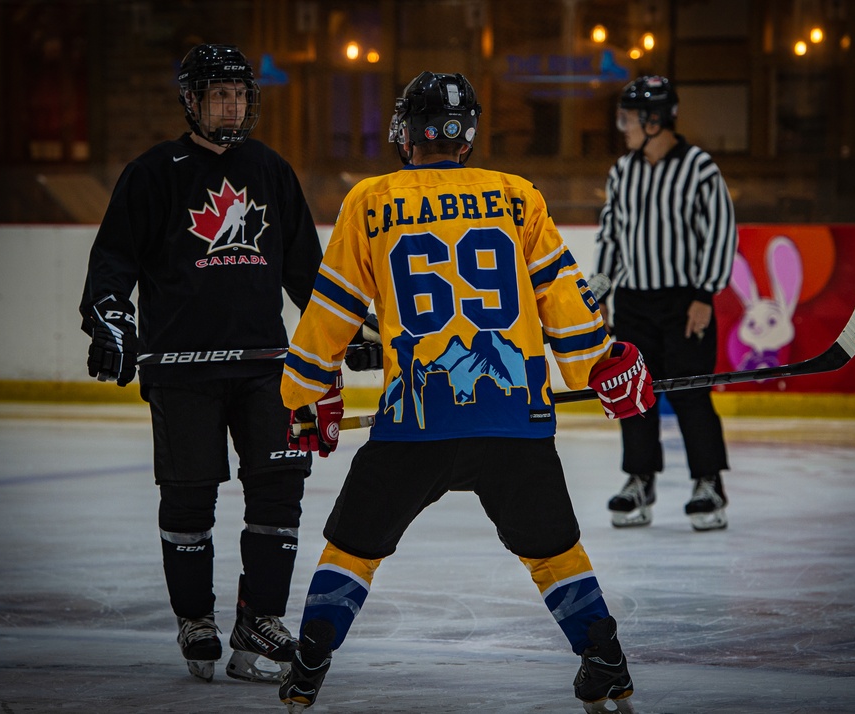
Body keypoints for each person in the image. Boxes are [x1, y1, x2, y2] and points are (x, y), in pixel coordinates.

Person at [275, 71, 656, 713]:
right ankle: (605, 662)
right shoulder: (516, 196)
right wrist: (599, 362)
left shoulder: (370, 200)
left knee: (353, 548)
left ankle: (308, 665)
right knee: (554, 549)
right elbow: (562, 293)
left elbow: (331, 308)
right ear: (466, 135)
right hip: (513, 415)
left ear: (407, 131)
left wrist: (304, 392)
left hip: (416, 416)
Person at [79, 43, 324, 683]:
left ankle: (258, 619)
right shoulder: (153, 172)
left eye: (240, 93)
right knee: (189, 500)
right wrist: (108, 313)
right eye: (219, 93)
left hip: (265, 366)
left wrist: (344, 331)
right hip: (182, 369)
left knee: (279, 493)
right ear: (191, 99)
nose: (232, 104)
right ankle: (196, 618)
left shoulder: (271, 170)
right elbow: (112, 263)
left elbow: (310, 275)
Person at [591, 75, 738, 532]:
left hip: (683, 303)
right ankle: (639, 480)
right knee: (633, 397)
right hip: (634, 302)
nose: (623, 126)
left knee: (691, 394)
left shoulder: (699, 168)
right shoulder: (622, 171)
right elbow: (612, 234)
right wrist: (601, 291)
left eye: (629, 118)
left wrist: (703, 295)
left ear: (655, 120)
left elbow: (720, 232)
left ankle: (708, 483)